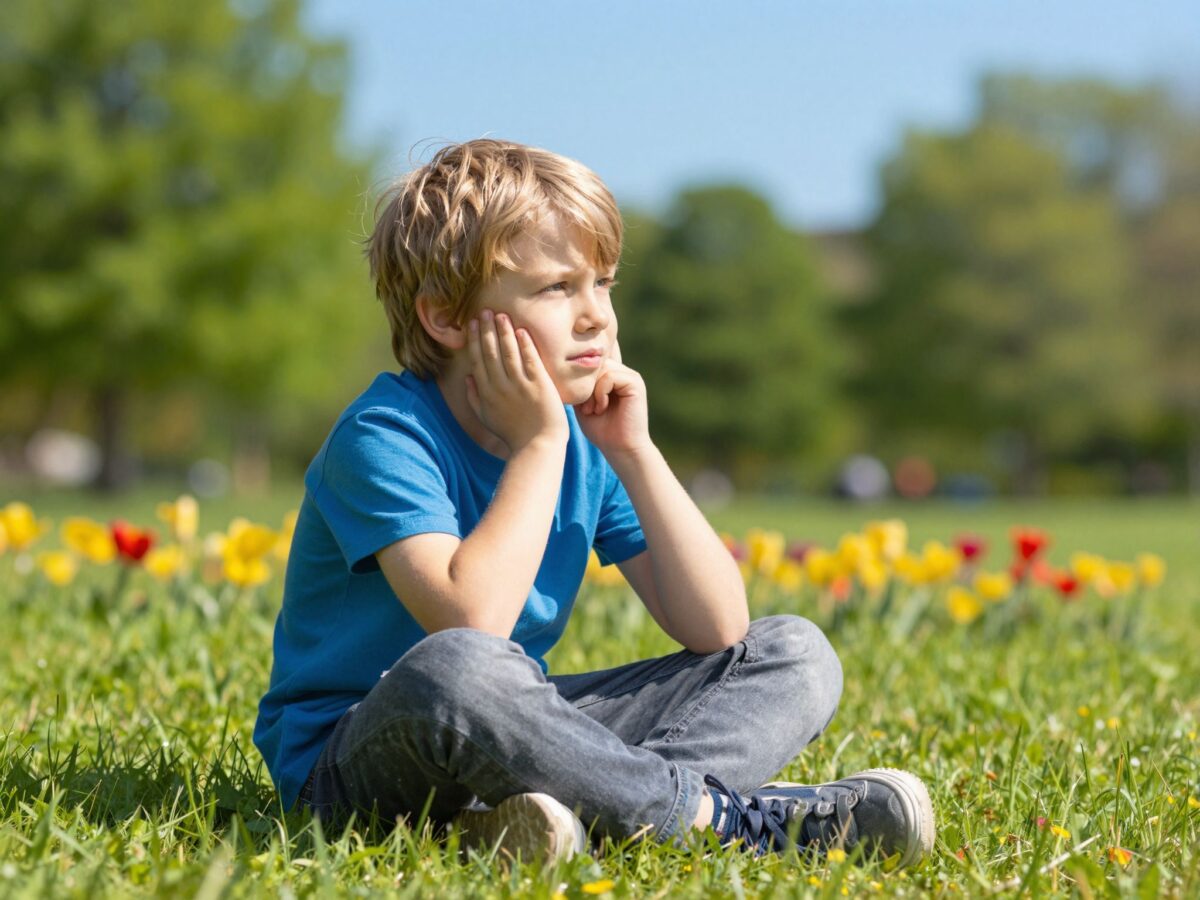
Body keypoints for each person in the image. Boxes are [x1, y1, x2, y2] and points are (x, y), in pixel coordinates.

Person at [252, 139, 935, 865]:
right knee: (456, 670)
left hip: (516, 741)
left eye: (602, 283)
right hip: (353, 762)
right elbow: (472, 623)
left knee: (794, 653)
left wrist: (634, 452)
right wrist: (539, 444)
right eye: (556, 288)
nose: (597, 318)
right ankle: (719, 819)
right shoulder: (384, 435)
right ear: (447, 318)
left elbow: (717, 625)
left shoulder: (585, 443)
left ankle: (564, 815)